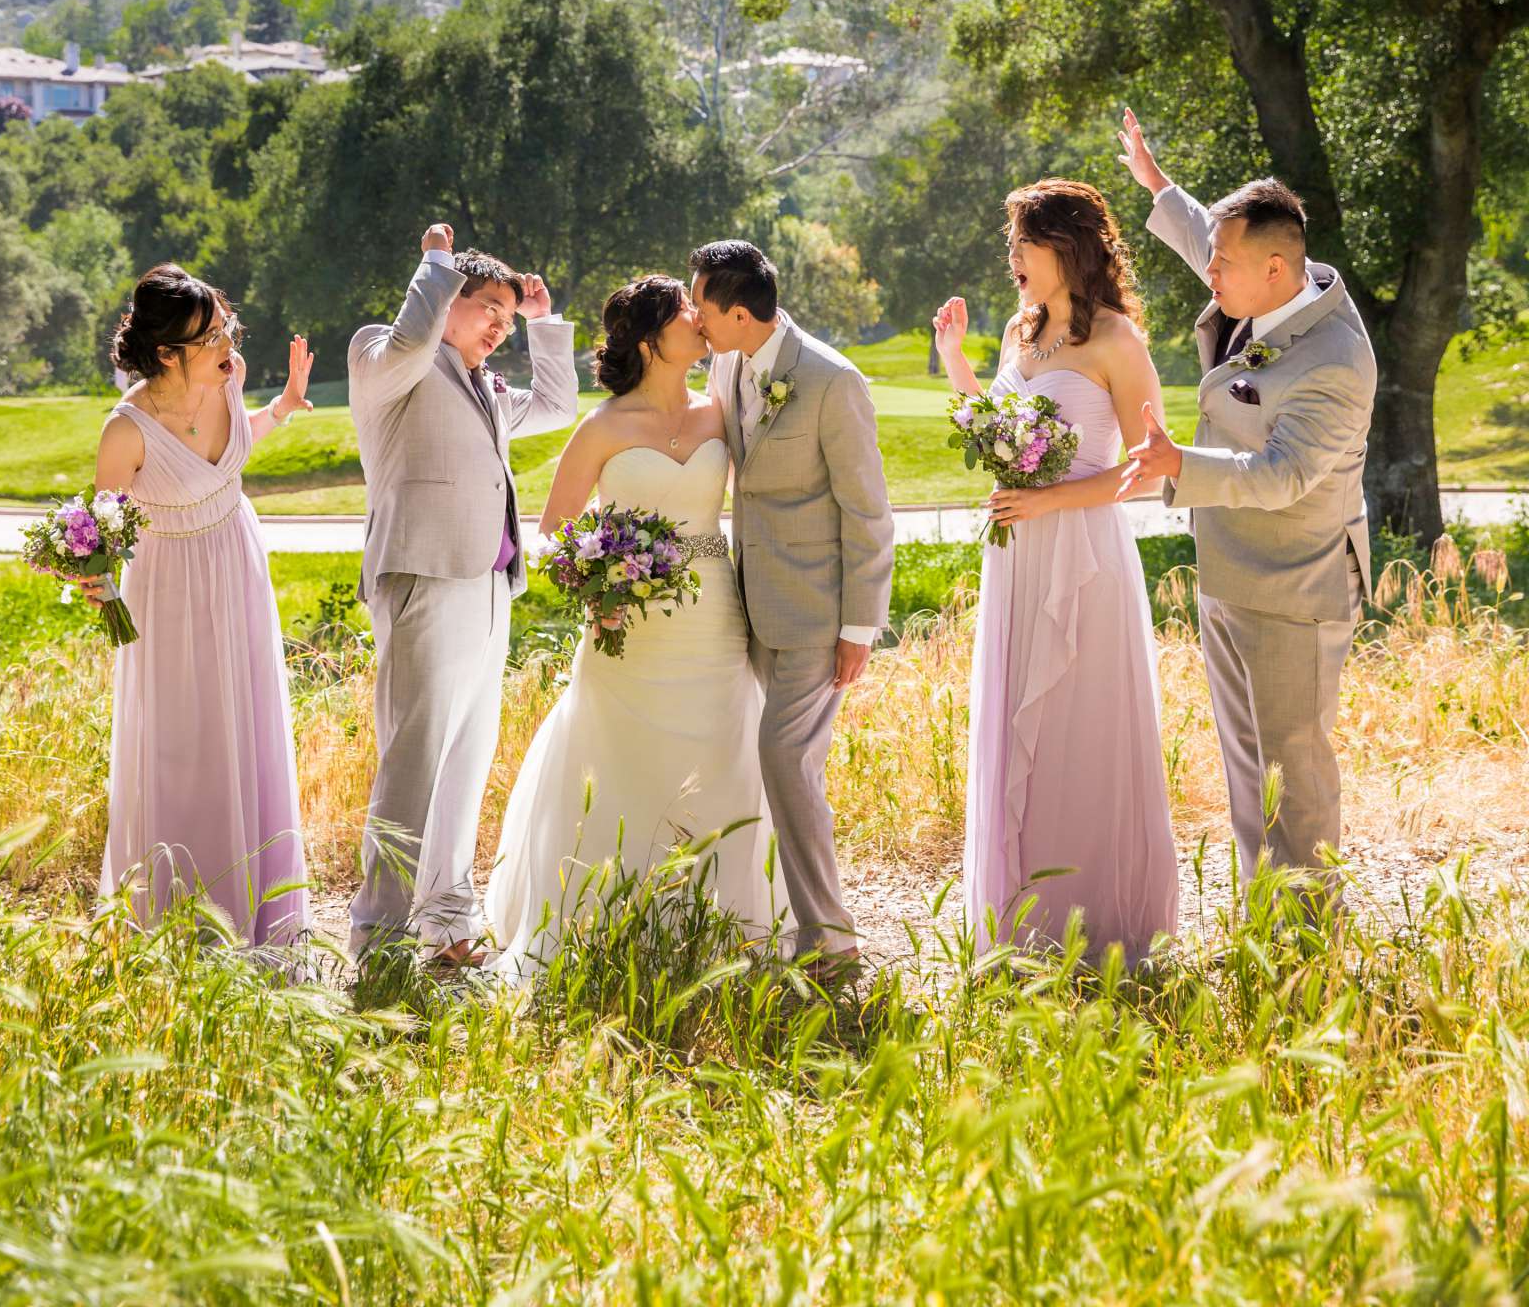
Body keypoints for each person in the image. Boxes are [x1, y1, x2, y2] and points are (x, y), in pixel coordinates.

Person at [486, 275, 788, 974]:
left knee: (722, 749)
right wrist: (600, 587)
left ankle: (723, 917)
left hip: (714, 614)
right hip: (630, 623)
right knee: (618, 755)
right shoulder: (605, 427)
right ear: (652, 339)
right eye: (687, 312)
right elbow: (556, 531)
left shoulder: (722, 411)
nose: (700, 320)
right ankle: (609, 915)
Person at [1117, 108, 1375, 883]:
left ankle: (1307, 940)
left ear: (1273, 269)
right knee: (1245, 771)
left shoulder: (1334, 362)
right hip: (1231, 572)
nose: (1210, 273)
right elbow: (1212, 238)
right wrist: (1157, 183)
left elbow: (1283, 475)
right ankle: (1262, 919)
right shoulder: (1264, 281)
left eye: (1223, 264)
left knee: (1294, 777)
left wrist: (1177, 463)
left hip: (1295, 587)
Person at [936, 179, 1179, 963]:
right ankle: (1022, 926)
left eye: (1022, 244)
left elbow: (1148, 468)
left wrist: (1052, 503)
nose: (1011, 258)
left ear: (1066, 247)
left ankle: (1101, 922)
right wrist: (955, 364)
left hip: (1084, 555)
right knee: (1016, 727)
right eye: (1009, 243)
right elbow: (997, 432)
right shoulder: (1018, 331)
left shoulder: (1117, 341)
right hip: (1016, 556)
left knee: (1081, 731)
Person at [348, 225, 577, 967]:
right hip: (424, 574)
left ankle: (446, 923)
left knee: (467, 760)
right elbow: (413, 344)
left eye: (506, 319)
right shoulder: (385, 357)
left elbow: (557, 404)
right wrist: (435, 263)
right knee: (412, 761)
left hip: (488, 585)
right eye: (487, 309)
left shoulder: (486, 386)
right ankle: (378, 938)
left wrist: (542, 325)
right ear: (445, 300)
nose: (497, 327)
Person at [89, 264, 313, 948]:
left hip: (239, 566)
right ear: (164, 353)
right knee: (185, 744)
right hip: (171, 592)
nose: (227, 342)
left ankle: (261, 911)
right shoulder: (125, 431)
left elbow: (228, 450)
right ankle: (181, 917)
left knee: (249, 726)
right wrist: (97, 579)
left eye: (226, 327)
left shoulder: (230, 374)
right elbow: (104, 529)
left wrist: (283, 407)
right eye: (210, 335)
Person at [690, 238, 894, 969]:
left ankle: (830, 939)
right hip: (746, 608)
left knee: (785, 759)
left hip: (817, 613)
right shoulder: (724, 360)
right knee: (780, 764)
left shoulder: (834, 382)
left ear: (740, 313)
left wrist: (859, 626)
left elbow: (868, 512)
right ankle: (780, 916)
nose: (694, 318)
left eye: (701, 307)